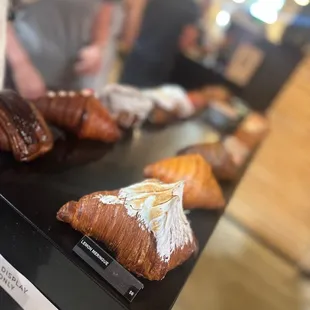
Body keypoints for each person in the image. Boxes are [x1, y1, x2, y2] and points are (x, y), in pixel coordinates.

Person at [5, 0, 116, 99]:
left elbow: (104, 13)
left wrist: (97, 47)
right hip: (21, 76)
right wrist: (21, 65)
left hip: (71, 81)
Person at [120, 0, 200, 88]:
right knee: (147, 98)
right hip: (161, 63)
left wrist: (128, 42)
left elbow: (135, 15)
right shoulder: (191, 7)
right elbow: (186, 41)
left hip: (138, 54)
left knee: (120, 94)